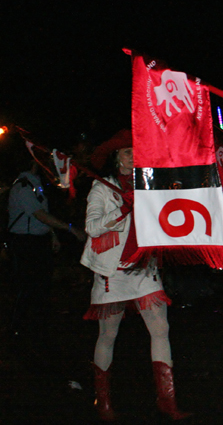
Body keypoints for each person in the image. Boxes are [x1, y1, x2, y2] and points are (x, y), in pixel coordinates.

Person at [80, 130, 191, 421]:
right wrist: (123, 209)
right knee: (108, 335)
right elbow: (92, 227)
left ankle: (167, 401)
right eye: (126, 152)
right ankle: (103, 401)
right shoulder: (102, 188)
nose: (132, 156)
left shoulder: (148, 183)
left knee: (161, 329)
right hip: (113, 271)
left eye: (135, 151)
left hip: (144, 269)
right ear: (116, 157)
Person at [7, 157, 87, 335]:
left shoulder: (35, 183)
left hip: (37, 240)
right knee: (28, 285)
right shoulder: (23, 186)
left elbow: (42, 213)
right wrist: (70, 229)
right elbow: (39, 214)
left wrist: (52, 235)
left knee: (42, 284)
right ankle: (18, 326)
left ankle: (38, 325)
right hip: (25, 242)